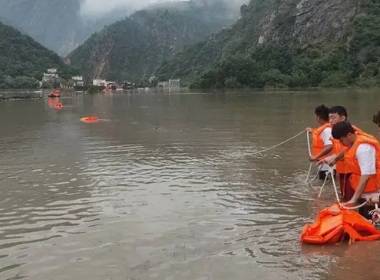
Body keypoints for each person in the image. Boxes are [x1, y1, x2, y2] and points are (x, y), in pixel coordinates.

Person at [328, 121, 380, 218]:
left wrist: (353, 199)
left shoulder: (364, 148)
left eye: (341, 140)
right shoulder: (353, 143)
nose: (340, 143)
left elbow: (366, 176)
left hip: (374, 197)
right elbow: (346, 153)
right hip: (364, 195)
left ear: (349, 135)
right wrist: (335, 158)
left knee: (371, 224)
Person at [322, 106, 369, 201]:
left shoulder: (353, 133)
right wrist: (335, 158)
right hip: (342, 169)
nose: (330, 121)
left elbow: (352, 151)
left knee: (351, 199)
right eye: (329, 118)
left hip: (352, 172)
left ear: (342, 118)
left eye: (333, 117)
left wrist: (335, 157)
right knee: (344, 197)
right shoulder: (336, 131)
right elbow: (346, 149)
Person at [306, 105, 334, 180]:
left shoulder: (327, 130)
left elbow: (329, 146)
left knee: (325, 185)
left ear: (318, 118)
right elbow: (320, 137)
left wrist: (316, 157)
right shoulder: (326, 129)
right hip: (325, 163)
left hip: (327, 164)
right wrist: (312, 131)